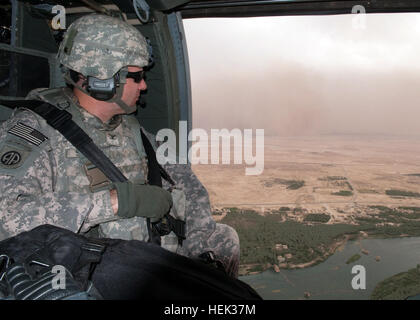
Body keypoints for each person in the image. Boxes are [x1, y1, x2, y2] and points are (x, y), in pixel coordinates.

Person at [0, 14, 240, 277]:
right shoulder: (32, 132)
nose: (145, 85)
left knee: (224, 240)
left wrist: (199, 252)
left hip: (150, 265)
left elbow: (190, 189)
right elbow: (7, 219)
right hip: (88, 278)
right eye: (136, 76)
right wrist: (116, 202)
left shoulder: (133, 131)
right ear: (103, 78)